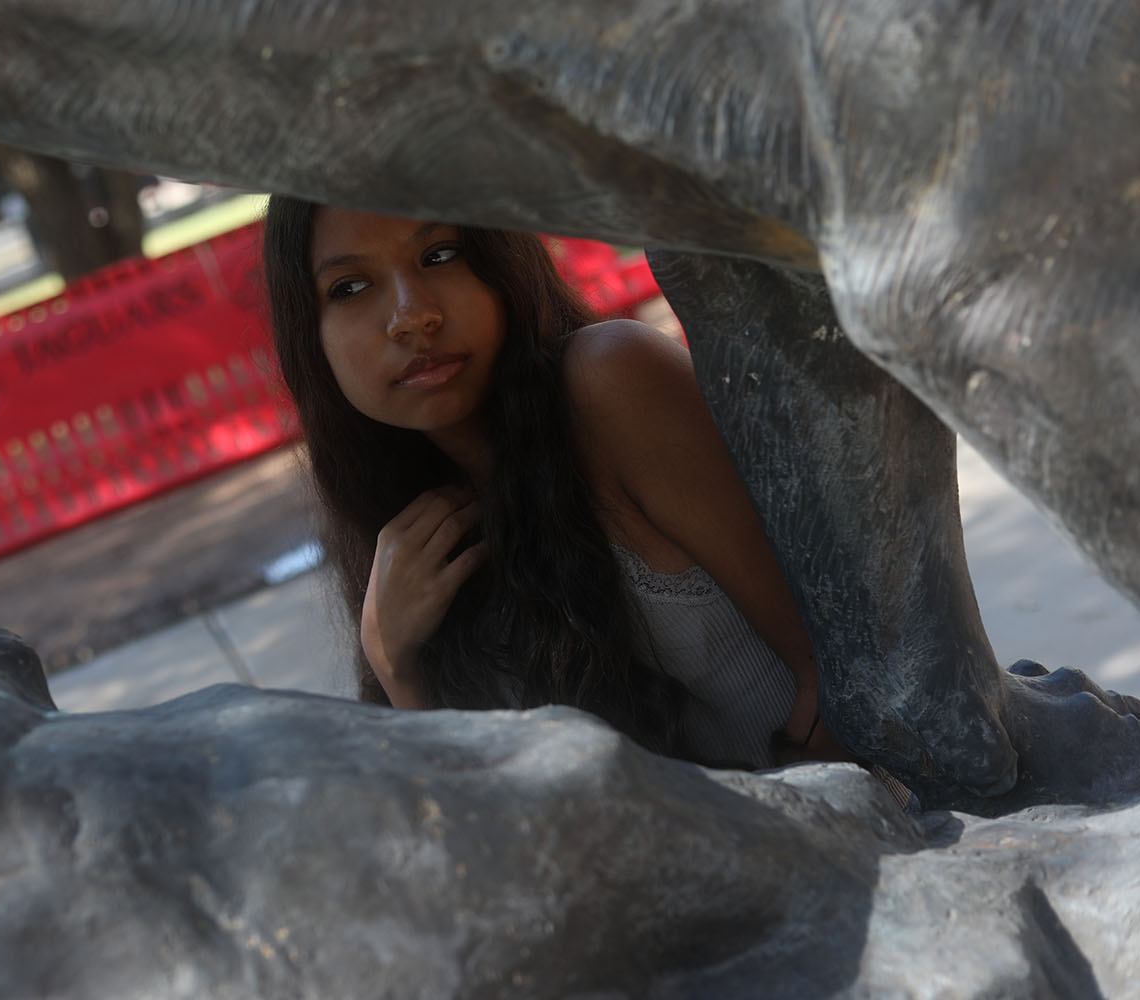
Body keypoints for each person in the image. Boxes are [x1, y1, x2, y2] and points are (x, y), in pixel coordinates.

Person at [263, 197, 835, 769]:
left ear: (499, 258)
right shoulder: (395, 541)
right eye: (350, 288)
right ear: (311, 342)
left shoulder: (611, 382)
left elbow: (839, 676)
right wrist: (397, 669)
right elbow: (500, 829)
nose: (412, 315)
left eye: (439, 255)